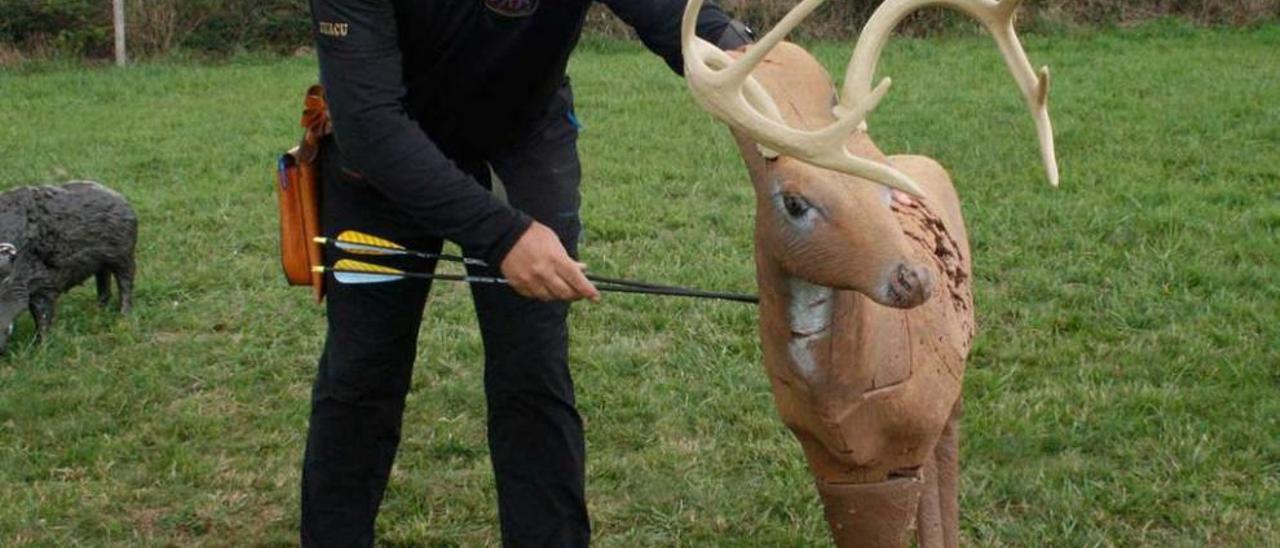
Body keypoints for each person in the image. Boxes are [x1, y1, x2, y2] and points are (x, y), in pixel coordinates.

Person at [301, 0, 753, 545]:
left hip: (521, 145)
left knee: (532, 369)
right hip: (378, 168)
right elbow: (369, 124)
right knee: (360, 375)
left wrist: (774, 80)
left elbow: (691, 29)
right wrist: (503, 235)